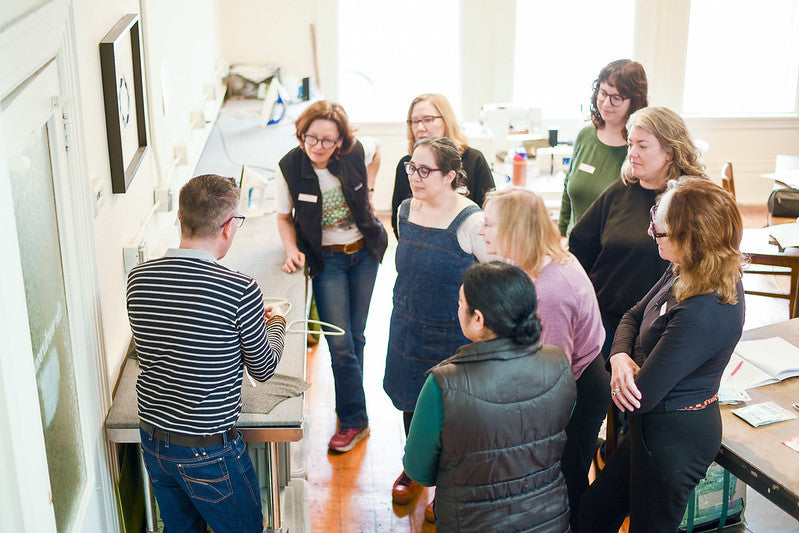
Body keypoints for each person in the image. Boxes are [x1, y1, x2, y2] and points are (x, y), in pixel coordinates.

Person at [579, 177, 746, 532]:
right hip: (649, 429)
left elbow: (639, 398)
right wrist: (621, 358)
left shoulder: (705, 306)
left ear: (693, 239)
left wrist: (620, 370)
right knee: (594, 509)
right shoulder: (685, 268)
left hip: (673, 441)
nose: (652, 232)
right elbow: (631, 315)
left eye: (662, 231)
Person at [128, 174, 286, 532]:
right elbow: (263, 369)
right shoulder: (240, 288)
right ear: (229, 227)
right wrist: (275, 324)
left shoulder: (138, 278)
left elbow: (158, 345)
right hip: (209, 451)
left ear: (181, 218)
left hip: (154, 440)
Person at [403, 261, 576, 531]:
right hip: (548, 519)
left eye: (461, 303)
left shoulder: (443, 384)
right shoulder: (558, 363)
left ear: (479, 319)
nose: (457, 308)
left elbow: (418, 470)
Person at [480, 187, 605, 531]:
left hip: (578, 387)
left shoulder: (552, 290)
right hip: (569, 373)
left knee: (564, 479)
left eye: (488, 224)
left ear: (514, 230)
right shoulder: (529, 257)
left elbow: (551, 377)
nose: (480, 231)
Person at [384, 136, 491, 514]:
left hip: (449, 334)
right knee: (410, 405)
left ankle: (446, 487)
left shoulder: (472, 220)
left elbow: (497, 275)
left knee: (448, 413)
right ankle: (413, 468)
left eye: (425, 170)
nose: (415, 176)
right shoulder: (404, 210)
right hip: (406, 325)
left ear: (449, 176)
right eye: (411, 167)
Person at [275, 100, 388, 452]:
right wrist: (292, 249)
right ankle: (356, 419)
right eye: (311, 138)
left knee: (356, 337)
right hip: (328, 262)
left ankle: (350, 409)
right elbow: (283, 216)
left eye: (328, 140)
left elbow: (378, 153)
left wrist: (368, 187)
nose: (318, 147)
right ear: (302, 134)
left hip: (364, 254)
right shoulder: (290, 167)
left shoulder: (355, 151)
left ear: (340, 141)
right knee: (340, 342)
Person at [569, 106, 706, 362]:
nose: (632, 154)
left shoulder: (692, 201)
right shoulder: (619, 191)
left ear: (670, 150)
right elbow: (579, 248)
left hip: (659, 327)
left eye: (642, 146)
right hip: (605, 319)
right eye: (630, 144)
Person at [558, 59, 648, 238]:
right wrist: (560, 234)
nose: (606, 103)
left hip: (612, 255)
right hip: (574, 248)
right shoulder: (585, 136)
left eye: (616, 98)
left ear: (634, 102)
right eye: (603, 93)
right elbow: (568, 189)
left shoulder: (639, 148)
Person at [391, 93, 494, 238]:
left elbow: (489, 215)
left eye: (428, 119)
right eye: (414, 121)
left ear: (446, 121)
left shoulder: (473, 159)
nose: (420, 127)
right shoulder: (406, 165)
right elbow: (399, 220)